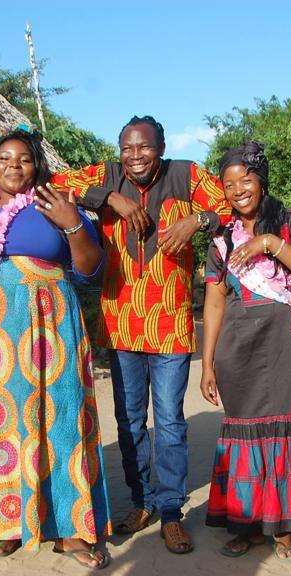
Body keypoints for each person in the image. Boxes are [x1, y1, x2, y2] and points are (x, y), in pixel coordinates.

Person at [52, 116, 231, 553]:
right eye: (127, 148)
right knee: (130, 420)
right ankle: (142, 501)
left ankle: (171, 512)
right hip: (120, 322)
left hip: (170, 325)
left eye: (144, 148)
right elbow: (55, 183)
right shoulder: (109, 176)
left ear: (161, 147)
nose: (135, 156)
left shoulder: (185, 175)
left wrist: (198, 222)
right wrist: (110, 197)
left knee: (169, 420)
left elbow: (229, 206)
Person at [0, 127, 111, 569]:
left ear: (36, 166)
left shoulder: (54, 203)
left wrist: (73, 225)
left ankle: (68, 528)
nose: (14, 165)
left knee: (60, 414)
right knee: (1, 418)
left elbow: (90, 268)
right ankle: (8, 522)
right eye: (4, 158)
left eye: (24, 158)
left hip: (52, 319)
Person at [200, 142, 291, 560]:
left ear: (262, 180)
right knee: (246, 429)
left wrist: (269, 242)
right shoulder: (219, 238)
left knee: (288, 427)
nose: (238, 189)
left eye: (246, 179)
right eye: (229, 183)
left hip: (290, 341)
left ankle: (286, 526)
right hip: (239, 343)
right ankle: (249, 523)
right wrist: (207, 363)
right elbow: (215, 301)